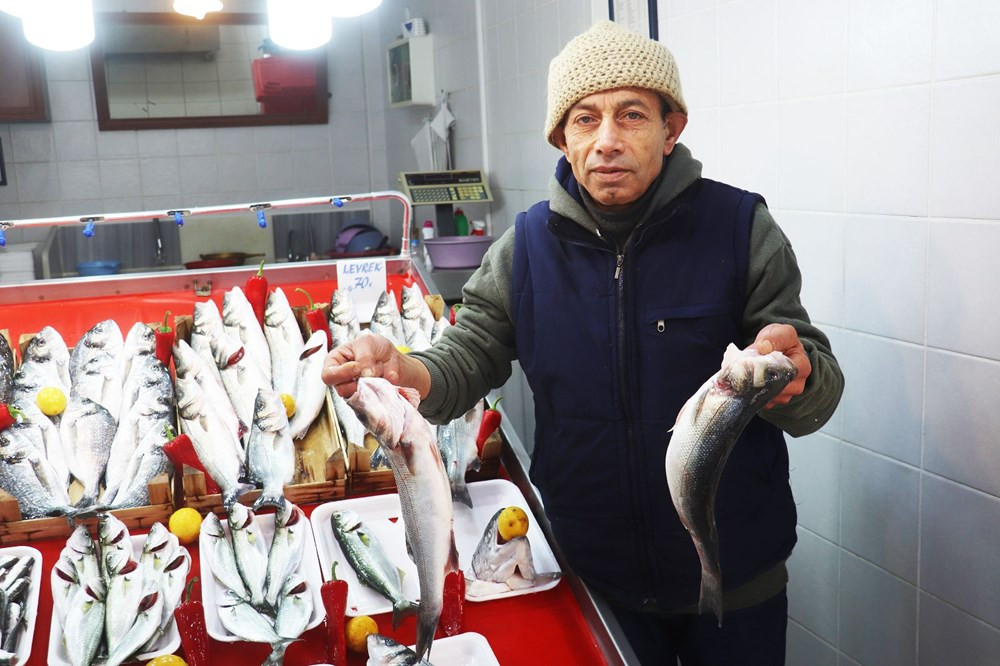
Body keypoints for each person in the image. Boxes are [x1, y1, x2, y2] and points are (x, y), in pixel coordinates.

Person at [323, 19, 844, 666]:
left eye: (631, 116)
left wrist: (799, 377)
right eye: (584, 120)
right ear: (561, 138)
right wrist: (407, 369)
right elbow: (472, 351)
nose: (606, 141)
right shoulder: (526, 248)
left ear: (670, 128)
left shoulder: (740, 230)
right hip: (592, 577)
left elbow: (814, 381)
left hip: (738, 577)